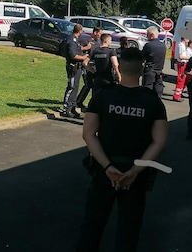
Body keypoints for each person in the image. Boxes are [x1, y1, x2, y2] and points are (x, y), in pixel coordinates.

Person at [76, 47, 168, 252]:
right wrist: (135, 172)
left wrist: (108, 166)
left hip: (104, 169)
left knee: (92, 225)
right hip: (135, 173)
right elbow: (160, 141)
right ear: (142, 69)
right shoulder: (153, 101)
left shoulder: (102, 96)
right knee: (129, 229)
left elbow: (88, 134)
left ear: (120, 67)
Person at [62, 24, 90, 119]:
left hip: (78, 67)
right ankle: (67, 109)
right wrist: (83, 57)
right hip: (73, 67)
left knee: (76, 87)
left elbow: (78, 50)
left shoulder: (75, 40)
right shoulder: (71, 40)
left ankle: (73, 108)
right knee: (72, 87)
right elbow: (73, 55)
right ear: (80, 31)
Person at [77, 27, 102, 109]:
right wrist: (85, 48)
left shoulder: (99, 42)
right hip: (85, 65)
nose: (100, 35)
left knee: (92, 85)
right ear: (95, 32)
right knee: (88, 84)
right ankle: (78, 102)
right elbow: (77, 49)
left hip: (94, 66)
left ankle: (85, 102)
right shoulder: (86, 40)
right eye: (99, 33)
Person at [91, 33, 121, 97]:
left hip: (97, 77)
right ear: (106, 41)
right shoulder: (111, 51)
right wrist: (119, 75)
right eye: (110, 40)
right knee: (108, 97)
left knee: (96, 96)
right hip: (108, 77)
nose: (110, 42)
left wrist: (93, 71)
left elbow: (85, 62)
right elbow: (115, 64)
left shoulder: (95, 51)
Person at [141, 26, 167, 98]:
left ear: (152, 35)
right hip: (159, 71)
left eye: (147, 35)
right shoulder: (163, 46)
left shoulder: (148, 45)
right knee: (158, 92)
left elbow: (141, 57)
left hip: (149, 71)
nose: (146, 37)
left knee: (147, 92)